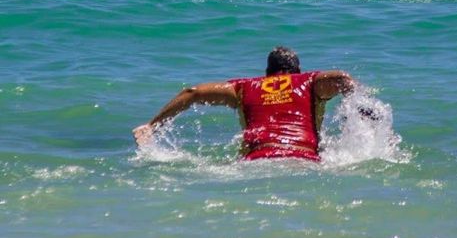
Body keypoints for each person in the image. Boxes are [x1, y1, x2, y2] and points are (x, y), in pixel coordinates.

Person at [132, 46, 355, 162]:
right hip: (304, 159)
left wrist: (152, 125)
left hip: (256, 161)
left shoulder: (243, 87)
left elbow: (192, 92)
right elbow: (342, 78)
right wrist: (358, 105)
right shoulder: (310, 82)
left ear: (267, 73)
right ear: (298, 71)